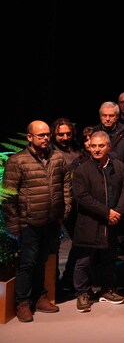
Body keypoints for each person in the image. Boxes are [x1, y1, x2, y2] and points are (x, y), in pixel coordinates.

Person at [3, 120, 72, 322]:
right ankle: (23, 303)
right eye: (41, 135)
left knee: (42, 261)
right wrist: (14, 224)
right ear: (29, 137)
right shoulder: (18, 161)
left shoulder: (57, 157)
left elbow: (66, 185)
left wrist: (65, 210)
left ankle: (40, 297)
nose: (45, 138)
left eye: (47, 134)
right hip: (29, 223)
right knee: (27, 263)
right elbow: (9, 196)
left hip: (51, 221)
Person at [71, 130, 124, 313]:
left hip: (112, 223)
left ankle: (107, 289)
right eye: (93, 146)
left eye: (101, 146)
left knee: (109, 258)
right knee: (84, 260)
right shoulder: (82, 170)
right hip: (90, 222)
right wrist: (107, 212)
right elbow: (82, 197)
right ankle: (83, 293)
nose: (96, 149)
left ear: (108, 147)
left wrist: (118, 211)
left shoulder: (118, 166)